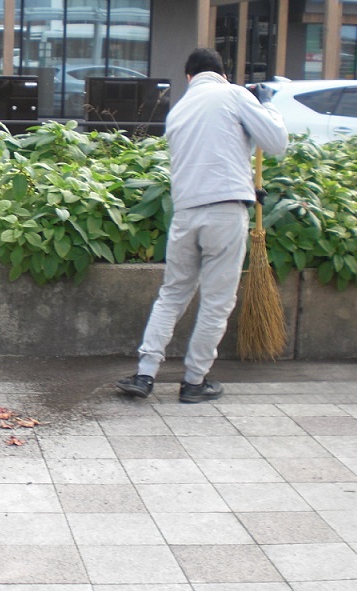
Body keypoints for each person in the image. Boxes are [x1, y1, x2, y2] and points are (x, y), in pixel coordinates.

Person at [115, 47, 288, 403]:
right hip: (224, 213)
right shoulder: (233, 94)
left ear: (189, 77)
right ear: (222, 74)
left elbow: (208, 155)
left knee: (173, 293)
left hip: (186, 212)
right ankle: (194, 381)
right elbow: (277, 143)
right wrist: (267, 106)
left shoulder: (179, 110)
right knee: (216, 301)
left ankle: (145, 374)